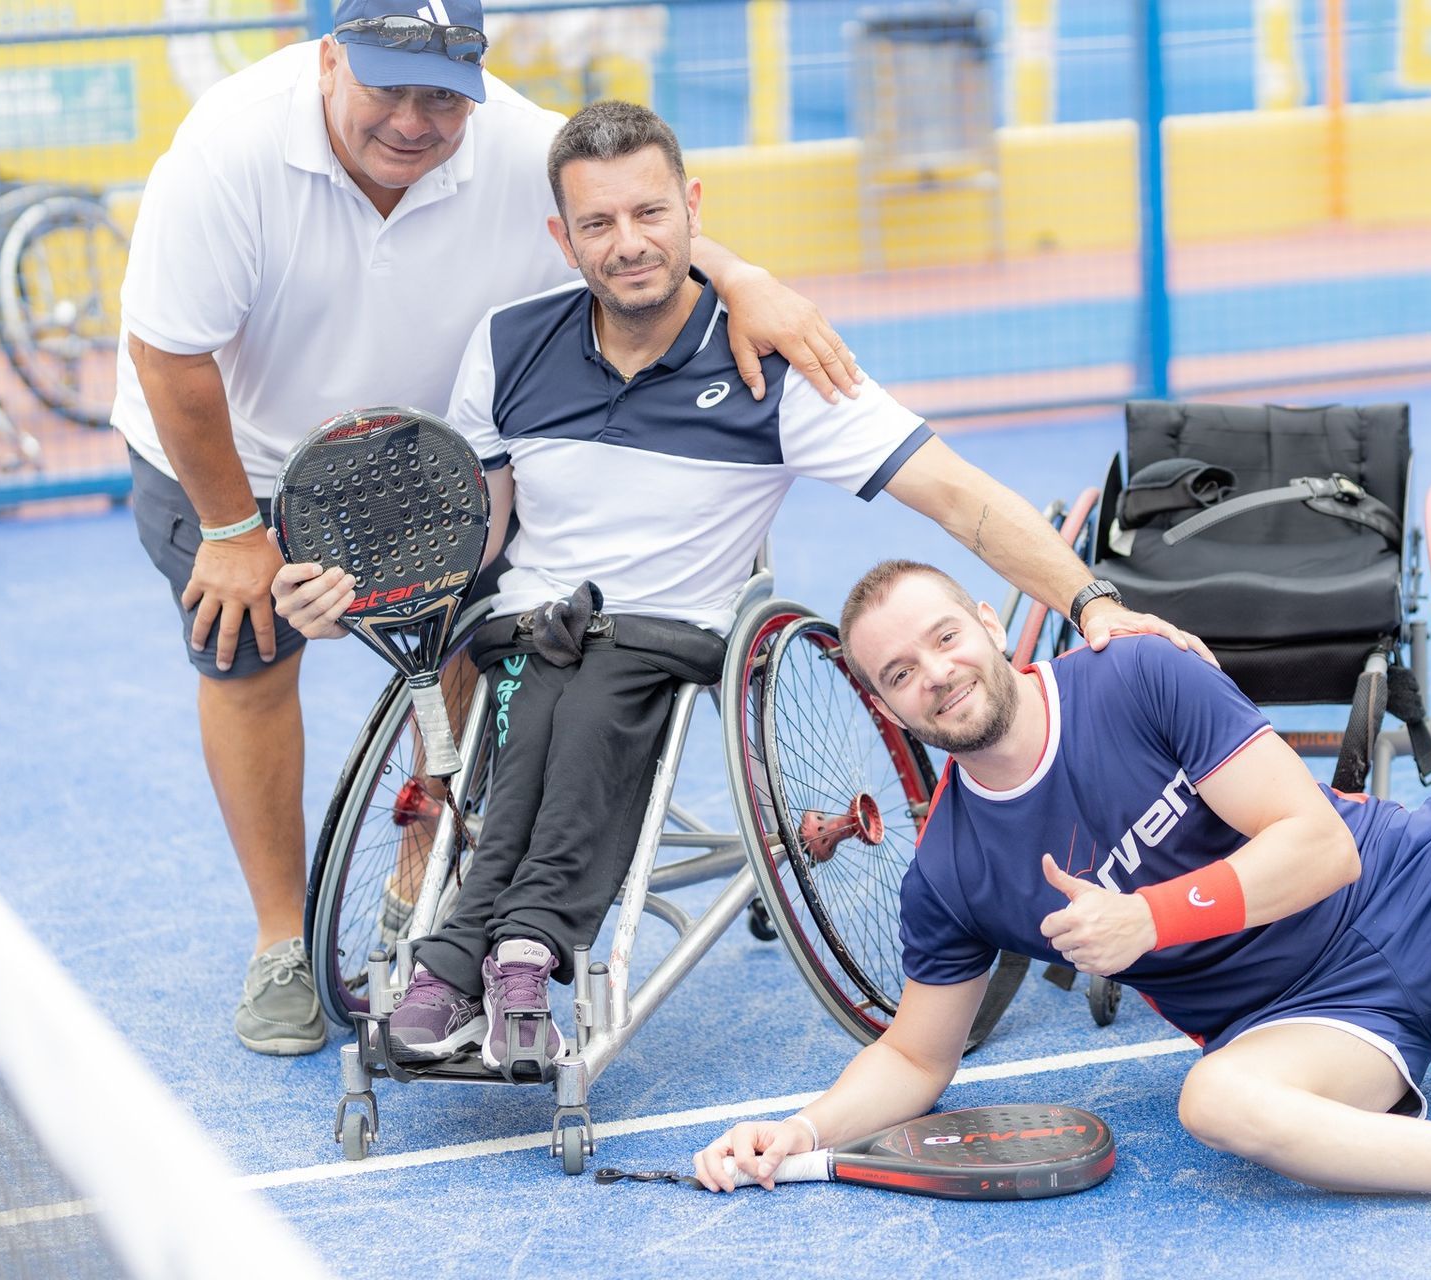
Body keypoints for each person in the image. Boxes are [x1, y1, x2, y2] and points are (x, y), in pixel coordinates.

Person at [271, 100, 1207, 1079]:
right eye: (598, 223)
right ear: (562, 238)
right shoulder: (507, 344)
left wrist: (1093, 603)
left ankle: (501, 956)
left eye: (650, 213)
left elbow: (957, 496)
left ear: (692, 209)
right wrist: (353, 603)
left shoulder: (779, 366)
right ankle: (483, 959)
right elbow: (477, 539)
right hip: (533, 630)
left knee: (585, 702)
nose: (628, 243)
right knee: (534, 700)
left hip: (666, 631)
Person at [115, 0, 870, 1056]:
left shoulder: (516, 143)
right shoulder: (229, 149)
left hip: (420, 453)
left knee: (478, 634)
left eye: (443, 94)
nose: (414, 120)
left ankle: (421, 882)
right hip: (227, 446)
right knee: (249, 656)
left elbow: (637, 220)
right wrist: (235, 528)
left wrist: (745, 281)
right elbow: (168, 355)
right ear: (328, 61)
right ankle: (282, 940)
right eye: (387, 87)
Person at [694, 558, 1431, 1234]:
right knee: (1219, 1103)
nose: (936, 673)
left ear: (989, 624)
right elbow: (915, 1055)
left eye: (945, 636)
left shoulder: (1133, 676)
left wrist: (1148, 919)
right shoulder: (952, 867)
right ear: (887, 706)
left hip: (1410, 894)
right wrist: (800, 1128)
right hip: (1299, 1023)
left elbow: (1318, 847)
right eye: (900, 672)